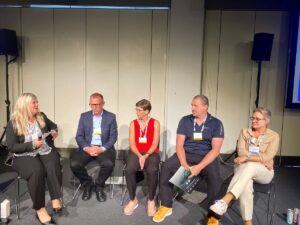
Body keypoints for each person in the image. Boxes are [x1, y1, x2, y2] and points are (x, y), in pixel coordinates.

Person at [152, 95, 224, 224]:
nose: (192, 108)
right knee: (167, 167)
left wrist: (199, 167)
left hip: (206, 156)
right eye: (192, 105)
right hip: (187, 154)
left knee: (215, 177)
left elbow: (215, 150)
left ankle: (213, 215)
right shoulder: (185, 120)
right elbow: (179, 145)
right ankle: (166, 206)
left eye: (195, 105)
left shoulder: (216, 123)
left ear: (205, 107)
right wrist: (184, 164)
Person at [209, 107, 280, 225]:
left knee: (250, 165)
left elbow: (267, 157)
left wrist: (248, 158)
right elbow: (241, 152)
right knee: (246, 183)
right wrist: (259, 158)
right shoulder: (244, 132)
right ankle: (248, 222)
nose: (254, 120)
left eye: (258, 119)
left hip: (264, 172)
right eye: (253, 118)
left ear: (266, 121)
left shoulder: (274, 136)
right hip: (244, 169)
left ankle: (225, 200)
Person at [6, 93, 61, 225]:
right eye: (34, 102)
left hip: (43, 149)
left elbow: (54, 125)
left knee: (52, 164)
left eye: (37, 102)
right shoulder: (14, 122)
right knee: (37, 170)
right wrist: (31, 145)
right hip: (23, 154)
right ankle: (40, 208)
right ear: (25, 105)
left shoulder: (41, 116)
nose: (37, 105)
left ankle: (55, 197)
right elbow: (12, 147)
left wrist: (54, 131)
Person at [70, 92, 117, 202]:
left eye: (97, 104)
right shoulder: (84, 116)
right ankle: (87, 184)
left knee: (109, 164)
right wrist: (87, 148)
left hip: (103, 148)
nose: (94, 107)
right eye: (92, 104)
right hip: (88, 147)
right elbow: (79, 136)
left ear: (103, 104)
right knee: (74, 164)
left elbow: (113, 137)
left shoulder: (111, 117)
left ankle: (99, 186)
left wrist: (101, 149)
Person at [123, 99, 160, 216]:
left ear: (147, 111)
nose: (137, 112)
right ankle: (133, 200)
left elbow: (155, 143)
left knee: (152, 170)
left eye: (139, 110)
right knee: (129, 169)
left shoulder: (155, 123)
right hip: (136, 152)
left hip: (151, 152)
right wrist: (140, 156)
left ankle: (151, 200)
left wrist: (146, 156)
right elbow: (132, 144)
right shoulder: (133, 123)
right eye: (136, 109)